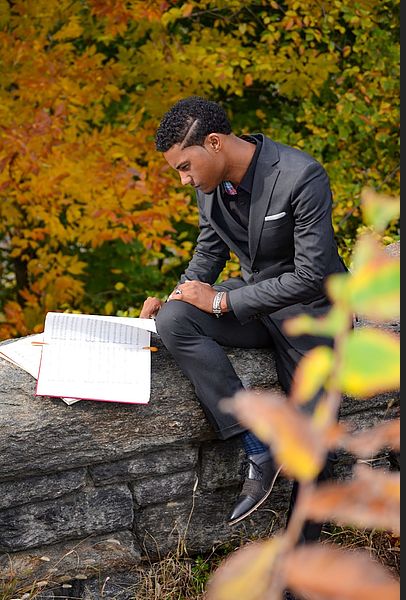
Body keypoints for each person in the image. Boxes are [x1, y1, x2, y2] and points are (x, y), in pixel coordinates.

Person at [140, 96, 346, 531]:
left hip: (312, 315)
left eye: (184, 167)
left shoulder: (300, 175)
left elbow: (311, 275)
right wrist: (176, 295)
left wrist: (222, 302)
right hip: (256, 306)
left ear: (214, 143)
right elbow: (208, 253)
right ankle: (257, 442)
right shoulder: (210, 188)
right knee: (174, 320)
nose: (183, 180)